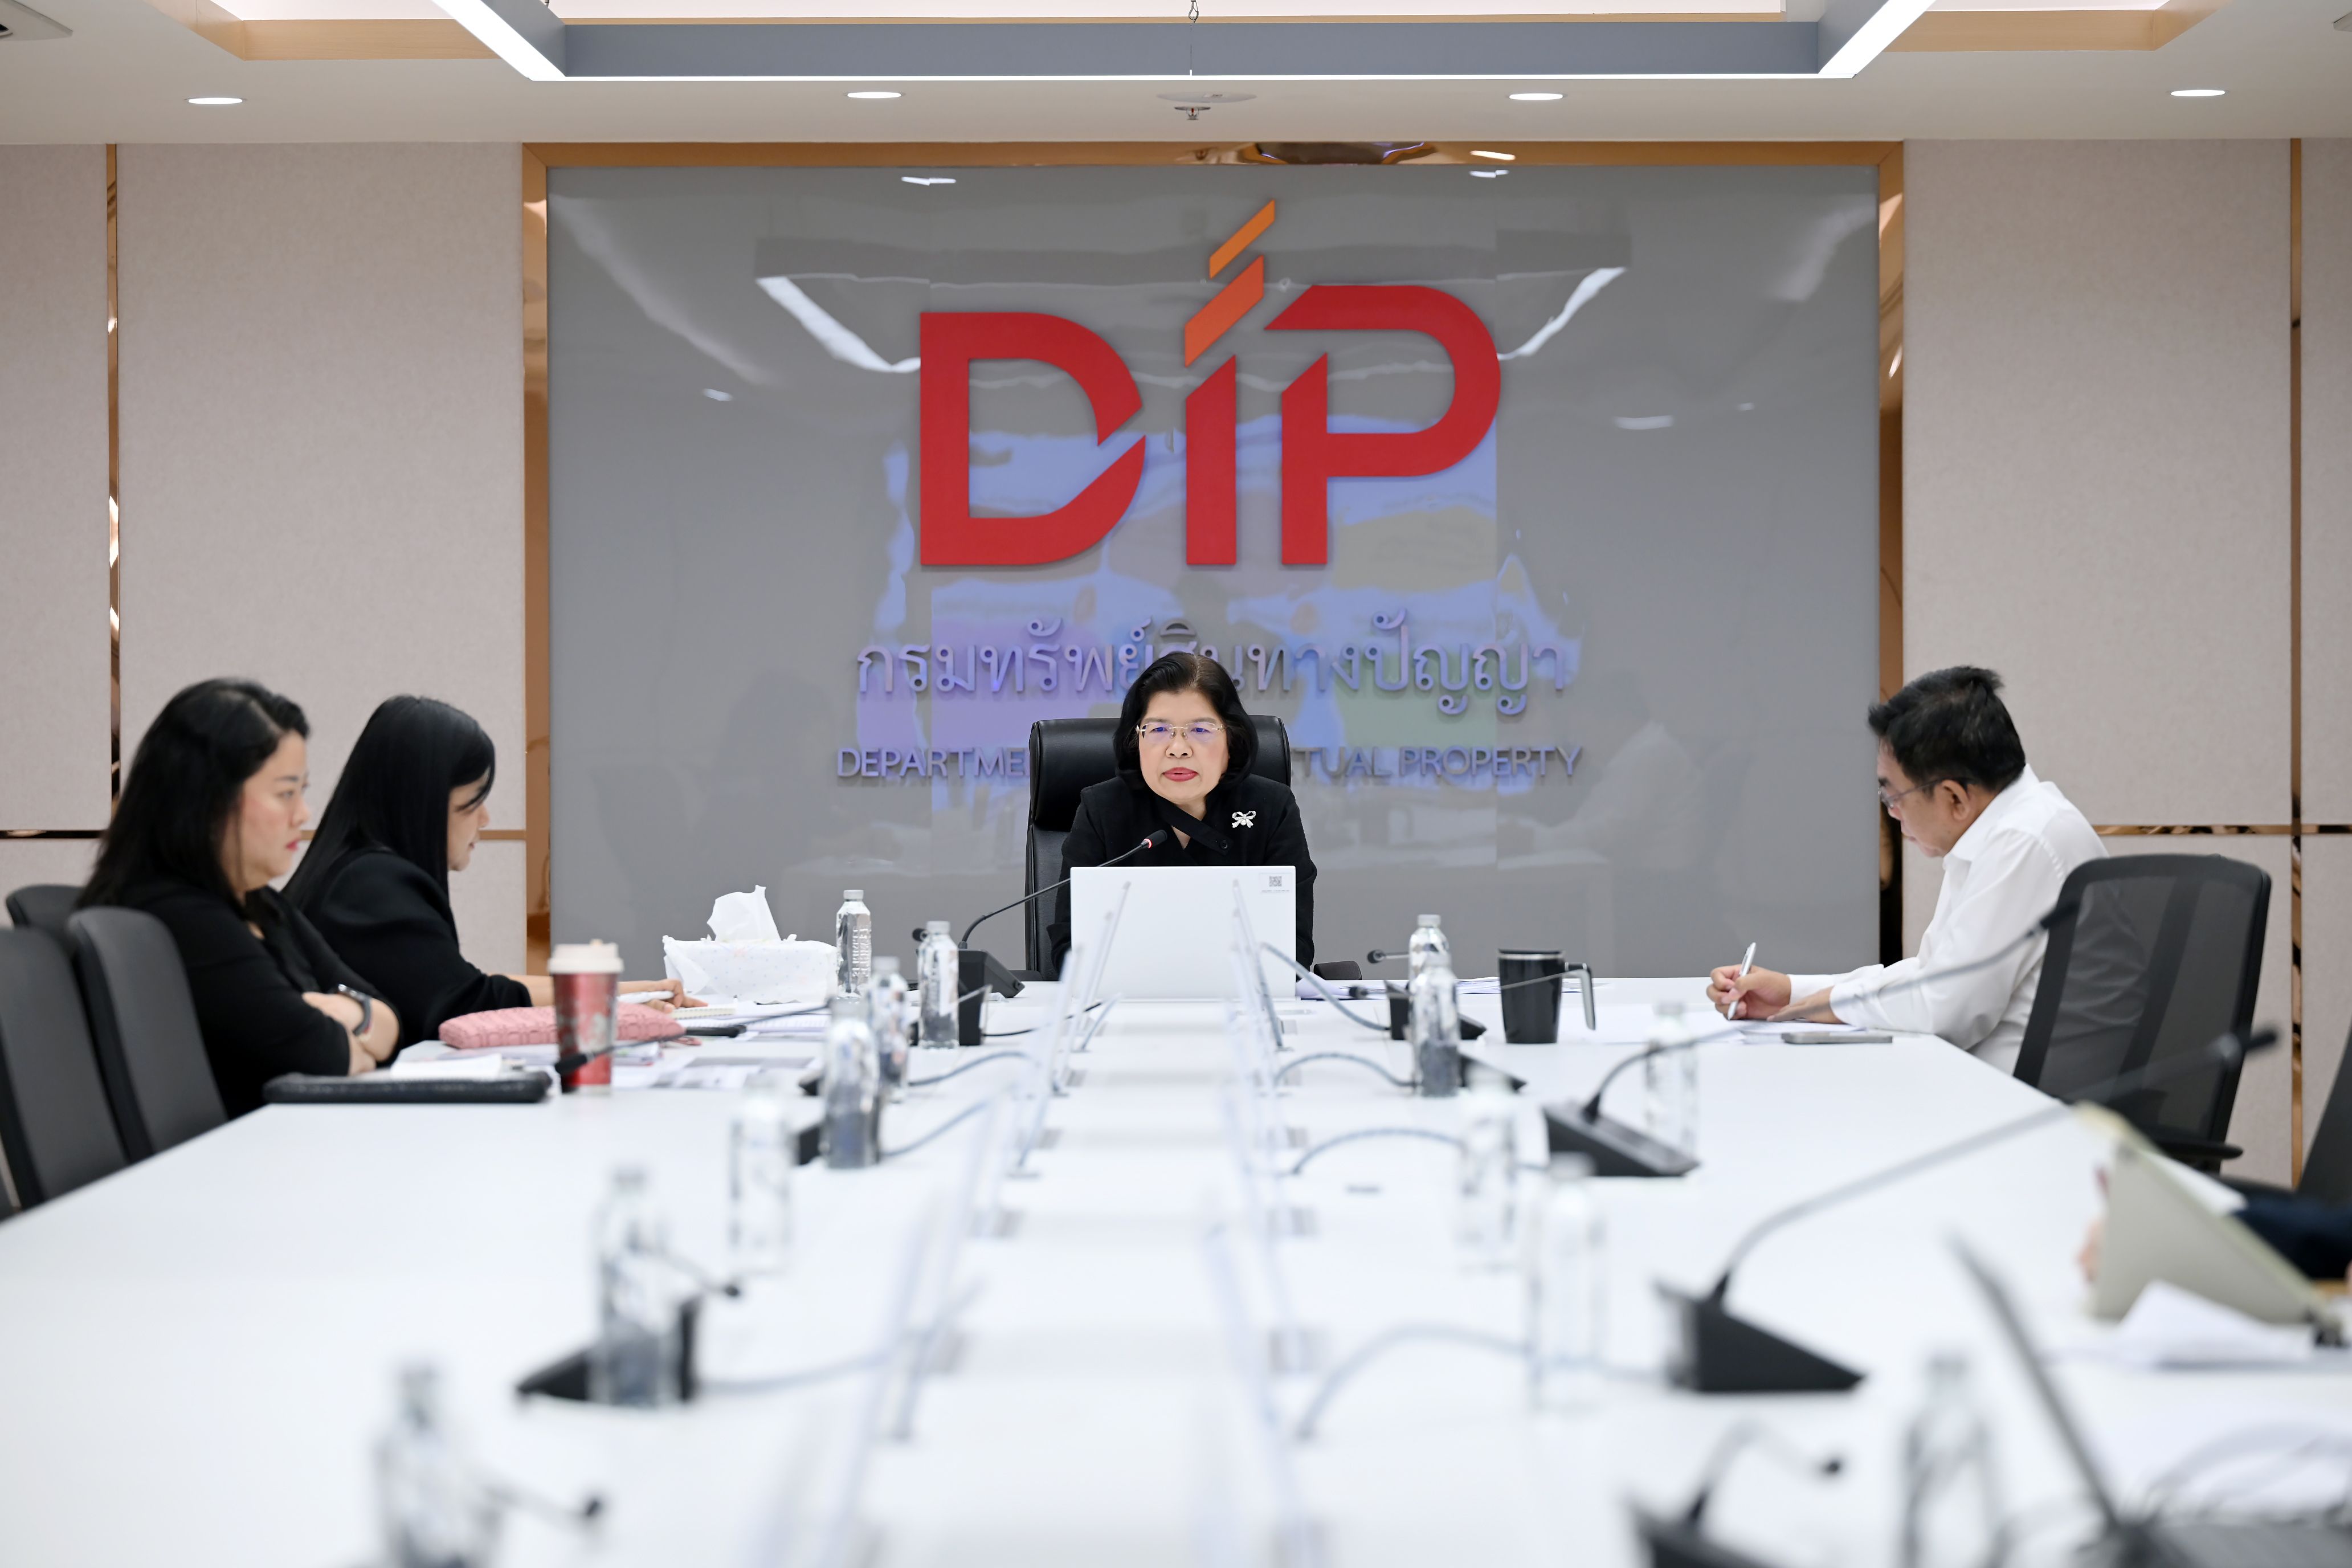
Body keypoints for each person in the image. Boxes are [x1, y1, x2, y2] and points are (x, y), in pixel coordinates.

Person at [1707, 666, 2104, 1073]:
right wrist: (1794, 993)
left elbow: (1946, 1009)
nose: (1892, 813)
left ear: (1954, 798)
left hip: (2025, 1095)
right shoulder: (2001, 829)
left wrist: (1822, 1005)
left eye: (1893, 796)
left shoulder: (2023, 840)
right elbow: (1930, 975)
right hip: (1990, 1079)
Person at [284, 695, 689, 1048]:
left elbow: (467, 985)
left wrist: (623, 992)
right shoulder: (370, 883)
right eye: (473, 802)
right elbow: (465, 1004)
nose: (485, 819)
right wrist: (612, 1006)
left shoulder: (357, 872)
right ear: (424, 805)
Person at [80, 679, 401, 1116]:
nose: (303, 814)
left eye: (302, 792)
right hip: (236, 1153)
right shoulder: (178, 914)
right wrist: (350, 1023)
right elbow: (325, 1053)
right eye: (286, 793)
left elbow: (391, 1020)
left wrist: (337, 1013)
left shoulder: (263, 905)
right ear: (210, 800)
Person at [1047, 651, 1316, 973]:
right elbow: (1070, 949)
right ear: (1136, 741)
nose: (1178, 749)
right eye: (1158, 730)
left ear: (1232, 740)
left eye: (1200, 730)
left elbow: (1294, 950)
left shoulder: (1271, 807)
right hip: (1126, 1001)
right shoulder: (1102, 808)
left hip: (1244, 1000)